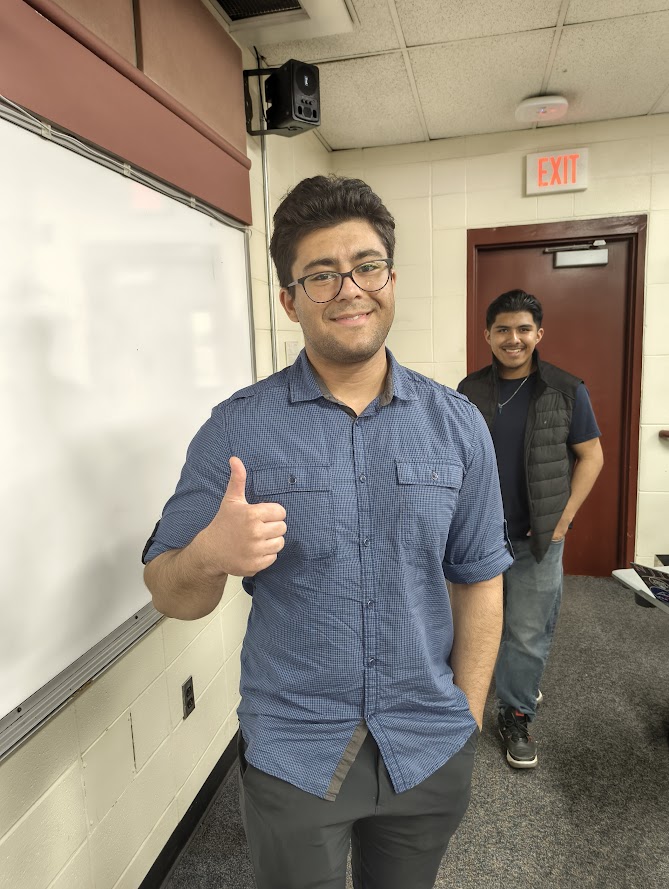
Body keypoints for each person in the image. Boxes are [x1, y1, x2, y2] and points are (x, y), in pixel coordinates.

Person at [142, 175, 513, 889]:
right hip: (296, 750)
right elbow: (169, 592)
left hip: (427, 742)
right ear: (289, 299)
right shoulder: (236, 428)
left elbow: (479, 577)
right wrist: (210, 555)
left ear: (391, 278)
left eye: (366, 266)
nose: (349, 288)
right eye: (321, 274)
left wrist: (464, 723)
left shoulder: (456, 423)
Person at [458, 290, 603, 770]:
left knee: (524, 632)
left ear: (538, 334)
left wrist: (563, 519)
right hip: (478, 537)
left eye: (523, 329)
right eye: (502, 329)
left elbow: (591, 456)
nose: (512, 339)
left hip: (536, 537)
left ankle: (516, 712)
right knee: (473, 626)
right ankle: (464, 709)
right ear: (488, 335)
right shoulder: (470, 390)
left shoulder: (564, 388)